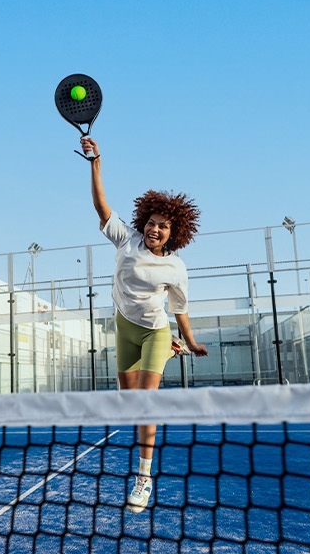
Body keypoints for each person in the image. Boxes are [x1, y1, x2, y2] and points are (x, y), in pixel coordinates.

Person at [81, 136, 208, 513]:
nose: (155, 230)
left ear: (175, 232)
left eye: (163, 227)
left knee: (145, 405)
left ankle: (144, 476)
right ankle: (166, 350)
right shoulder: (127, 241)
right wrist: (95, 161)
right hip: (124, 328)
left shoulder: (175, 267)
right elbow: (102, 207)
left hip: (155, 329)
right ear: (144, 222)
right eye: (152, 223)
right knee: (129, 403)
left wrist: (190, 339)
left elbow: (178, 307)